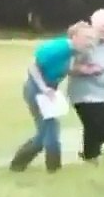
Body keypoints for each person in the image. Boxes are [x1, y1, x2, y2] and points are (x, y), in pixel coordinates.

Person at [9, 23, 95, 174]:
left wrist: (82, 70)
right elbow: (33, 67)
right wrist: (43, 88)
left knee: (48, 131)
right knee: (49, 132)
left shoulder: (75, 52)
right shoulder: (59, 48)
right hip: (36, 90)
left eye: (91, 37)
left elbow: (61, 68)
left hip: (49, 90)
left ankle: (24, 165)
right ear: (74, 37)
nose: (90, 41)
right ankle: (48, 168)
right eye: (86, 37)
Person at [69, 9, 104, 163]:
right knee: (95, 126)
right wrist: (87, 70)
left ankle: (89, 154)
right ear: (95, 25)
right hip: (85, 94)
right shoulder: (86, 43)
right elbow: (69, 67)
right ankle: (91, 157)